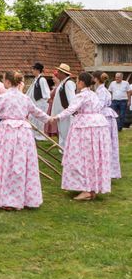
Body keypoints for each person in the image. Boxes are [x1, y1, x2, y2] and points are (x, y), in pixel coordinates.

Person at [0, 71, 50, 211]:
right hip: (24, 133)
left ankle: (6, 199)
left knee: (5, 164)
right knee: (21, 164)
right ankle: (22, 198)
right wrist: (52, 119)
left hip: (7, 133)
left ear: (7, 82)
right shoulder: (25, 98)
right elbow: (38, 113)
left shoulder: (3, 97)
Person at [50, 72, 111, 201]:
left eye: (77, 81)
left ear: (82, 82)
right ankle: (91, 187)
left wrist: (56, 117)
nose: (76, 84)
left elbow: (70, 109)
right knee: (93, 157)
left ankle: (86, 189)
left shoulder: (82, 95)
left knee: (82, 156)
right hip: (98, 126)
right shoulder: (93, 95)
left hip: (85, 128)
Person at [93, 72, 121, 179]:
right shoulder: (101, 90)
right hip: (106, 116)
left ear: (96, 79)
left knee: (106, 142)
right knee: (107, 142)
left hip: (105, 117)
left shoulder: (101, 91)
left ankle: (108, 170)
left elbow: (99, 105)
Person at [51, 64, 76, 147]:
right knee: (62, 132)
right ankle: (64, 150)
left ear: (63, 73)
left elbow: (71, 99)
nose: (57, 73)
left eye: (58, 71)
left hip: (66, 114)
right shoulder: (63, 83)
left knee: (66, 133)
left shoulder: (68, 83)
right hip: (61, 114)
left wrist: (70, 112)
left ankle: (68, 151)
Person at [26, 62, 50, 140]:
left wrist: (44, 102)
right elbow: (31, 91)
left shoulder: (42, 80)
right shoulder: (35, 80)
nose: (32, 71)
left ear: (37, 70)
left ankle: (40, 135)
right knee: (33, 119)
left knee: (39, 120)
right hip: (35, 103)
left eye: (33, 69)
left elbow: (46, 93)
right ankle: (34, 134)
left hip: (40, 103)